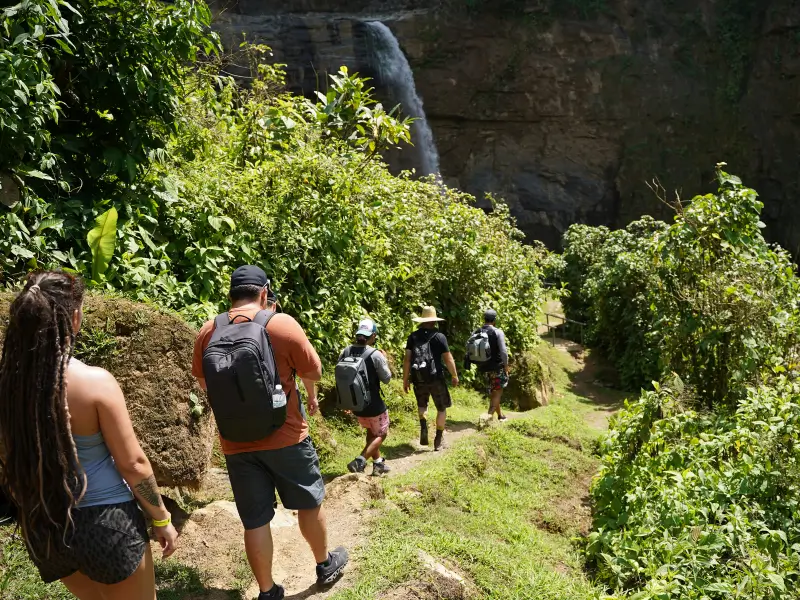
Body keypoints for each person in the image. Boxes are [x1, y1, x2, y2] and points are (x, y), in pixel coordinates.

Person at [0, 271, 178, 600]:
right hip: (107, 523)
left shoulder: (9, 387)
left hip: (46, 526)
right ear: (76, 317)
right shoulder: (94, 383)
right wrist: (161, 518)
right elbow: (134, 464)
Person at [192, 266, 347, 600]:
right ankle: (324, 564)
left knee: (255, 519)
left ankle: (267, 590)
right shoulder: (281, 323)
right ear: (264, 293)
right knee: (308, 501)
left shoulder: (208, 331)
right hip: (287, 435)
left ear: (231, 295)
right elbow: (315, 371)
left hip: (235, 443)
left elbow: (206, 386)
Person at [403, 306, 459, 451]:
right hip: (436, 378)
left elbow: (407, 360)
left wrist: (406, 379)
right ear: (434, 321)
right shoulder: (439, 337)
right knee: (441, 408)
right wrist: (454, 375)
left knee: (422, 405)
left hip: (418, 377)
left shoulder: (413, 337)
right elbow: (448, 359)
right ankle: (438, 441)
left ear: (422, 320)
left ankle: (423, 426)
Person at [341, 319, 393, 476]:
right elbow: (387, 378)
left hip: (356, 404)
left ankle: (378, 465)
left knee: (371, 433)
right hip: (374, 404)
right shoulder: (375, 354)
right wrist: (385, 359)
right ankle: (360, 460)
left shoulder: (346, 351)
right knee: (382, 434)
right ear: (373, 335)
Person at [466, 309, 510, 421]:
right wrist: (506, 365)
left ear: (484, 319)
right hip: (497, 367)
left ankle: (500, 416)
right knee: (497, 391)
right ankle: (488, 416)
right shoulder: (498, 332)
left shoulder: (477, 331)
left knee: (494, 391)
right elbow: (503, 351)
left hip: (483, 367)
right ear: (494, 320)